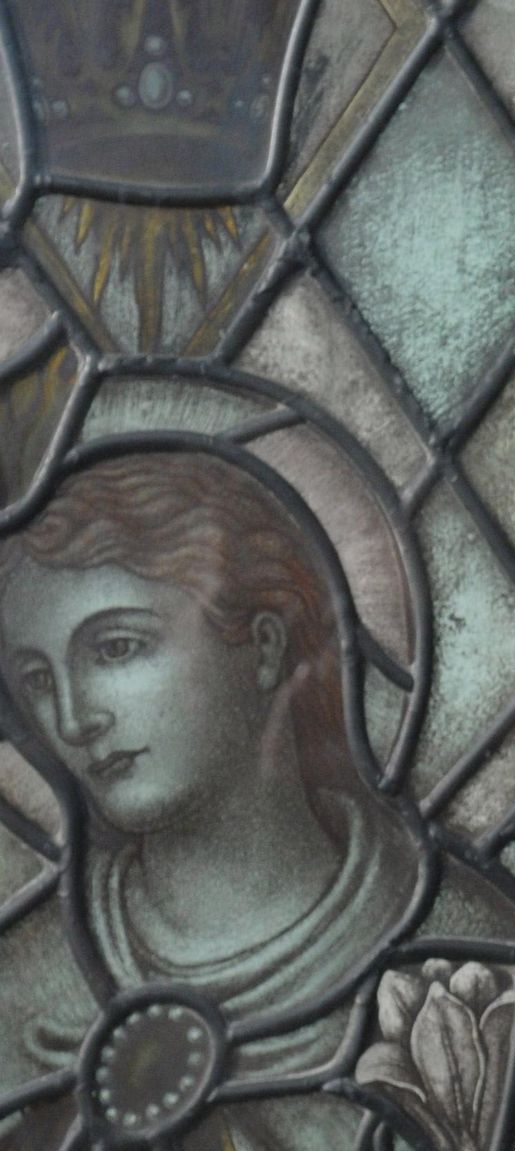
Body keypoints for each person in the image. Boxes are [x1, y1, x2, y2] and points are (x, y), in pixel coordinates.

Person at [0, 450, 422, 1147]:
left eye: (115, 648)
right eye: (38, 680)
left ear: (262, 647)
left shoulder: (465, 950)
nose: (74, 720)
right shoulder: (19, 983)